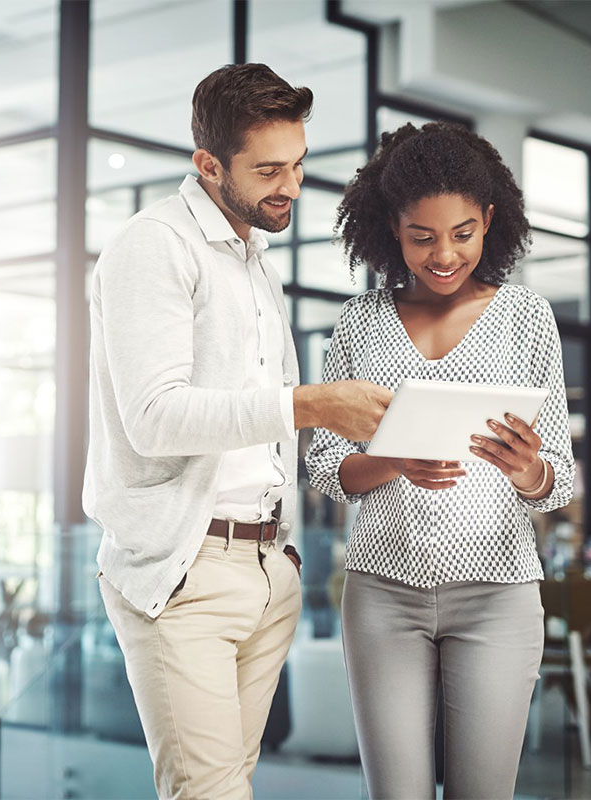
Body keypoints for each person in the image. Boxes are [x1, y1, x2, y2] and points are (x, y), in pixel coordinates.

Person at [83, 63, 392, 800]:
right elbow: (155, 417)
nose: (290, 185)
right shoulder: (155, 246)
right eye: (268, 169)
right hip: (184, 570)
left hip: (266, 568)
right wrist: (309, 404)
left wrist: (285, 556)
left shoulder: (255, 263)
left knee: (226, 784)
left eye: (298, 164)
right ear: (208, 165)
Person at [305, 121, 576, 800]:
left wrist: (526, 470)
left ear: (489, 220)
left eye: (461, 233)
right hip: (382, 596)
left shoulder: (526, 317)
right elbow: (325, 466)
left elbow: (558, 480)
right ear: (391, 228)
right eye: (422, 237)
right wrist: (392, 459)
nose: (444, 254)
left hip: (498, 597)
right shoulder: (361, 322)